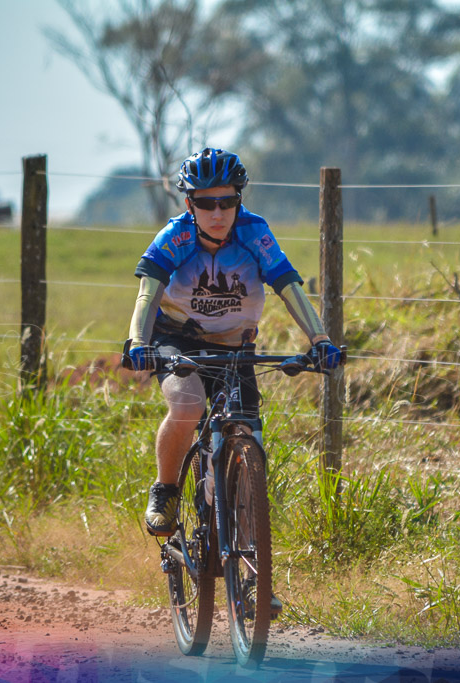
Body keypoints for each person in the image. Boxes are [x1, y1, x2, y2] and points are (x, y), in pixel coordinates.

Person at [125, 147, 343, 540]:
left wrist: (320, 338)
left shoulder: (254, 232)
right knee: (189, 404)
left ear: (239, 200)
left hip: (234, 346)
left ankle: (252, 563)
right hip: (176, 339)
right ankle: (166, 490)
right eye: (207, 203)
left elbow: (288, 286)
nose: (218, 213)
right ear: (189, 203)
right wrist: (139, 341)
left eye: (227, 202)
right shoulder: (176, 236)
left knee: (247, 428)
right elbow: (148, 293)